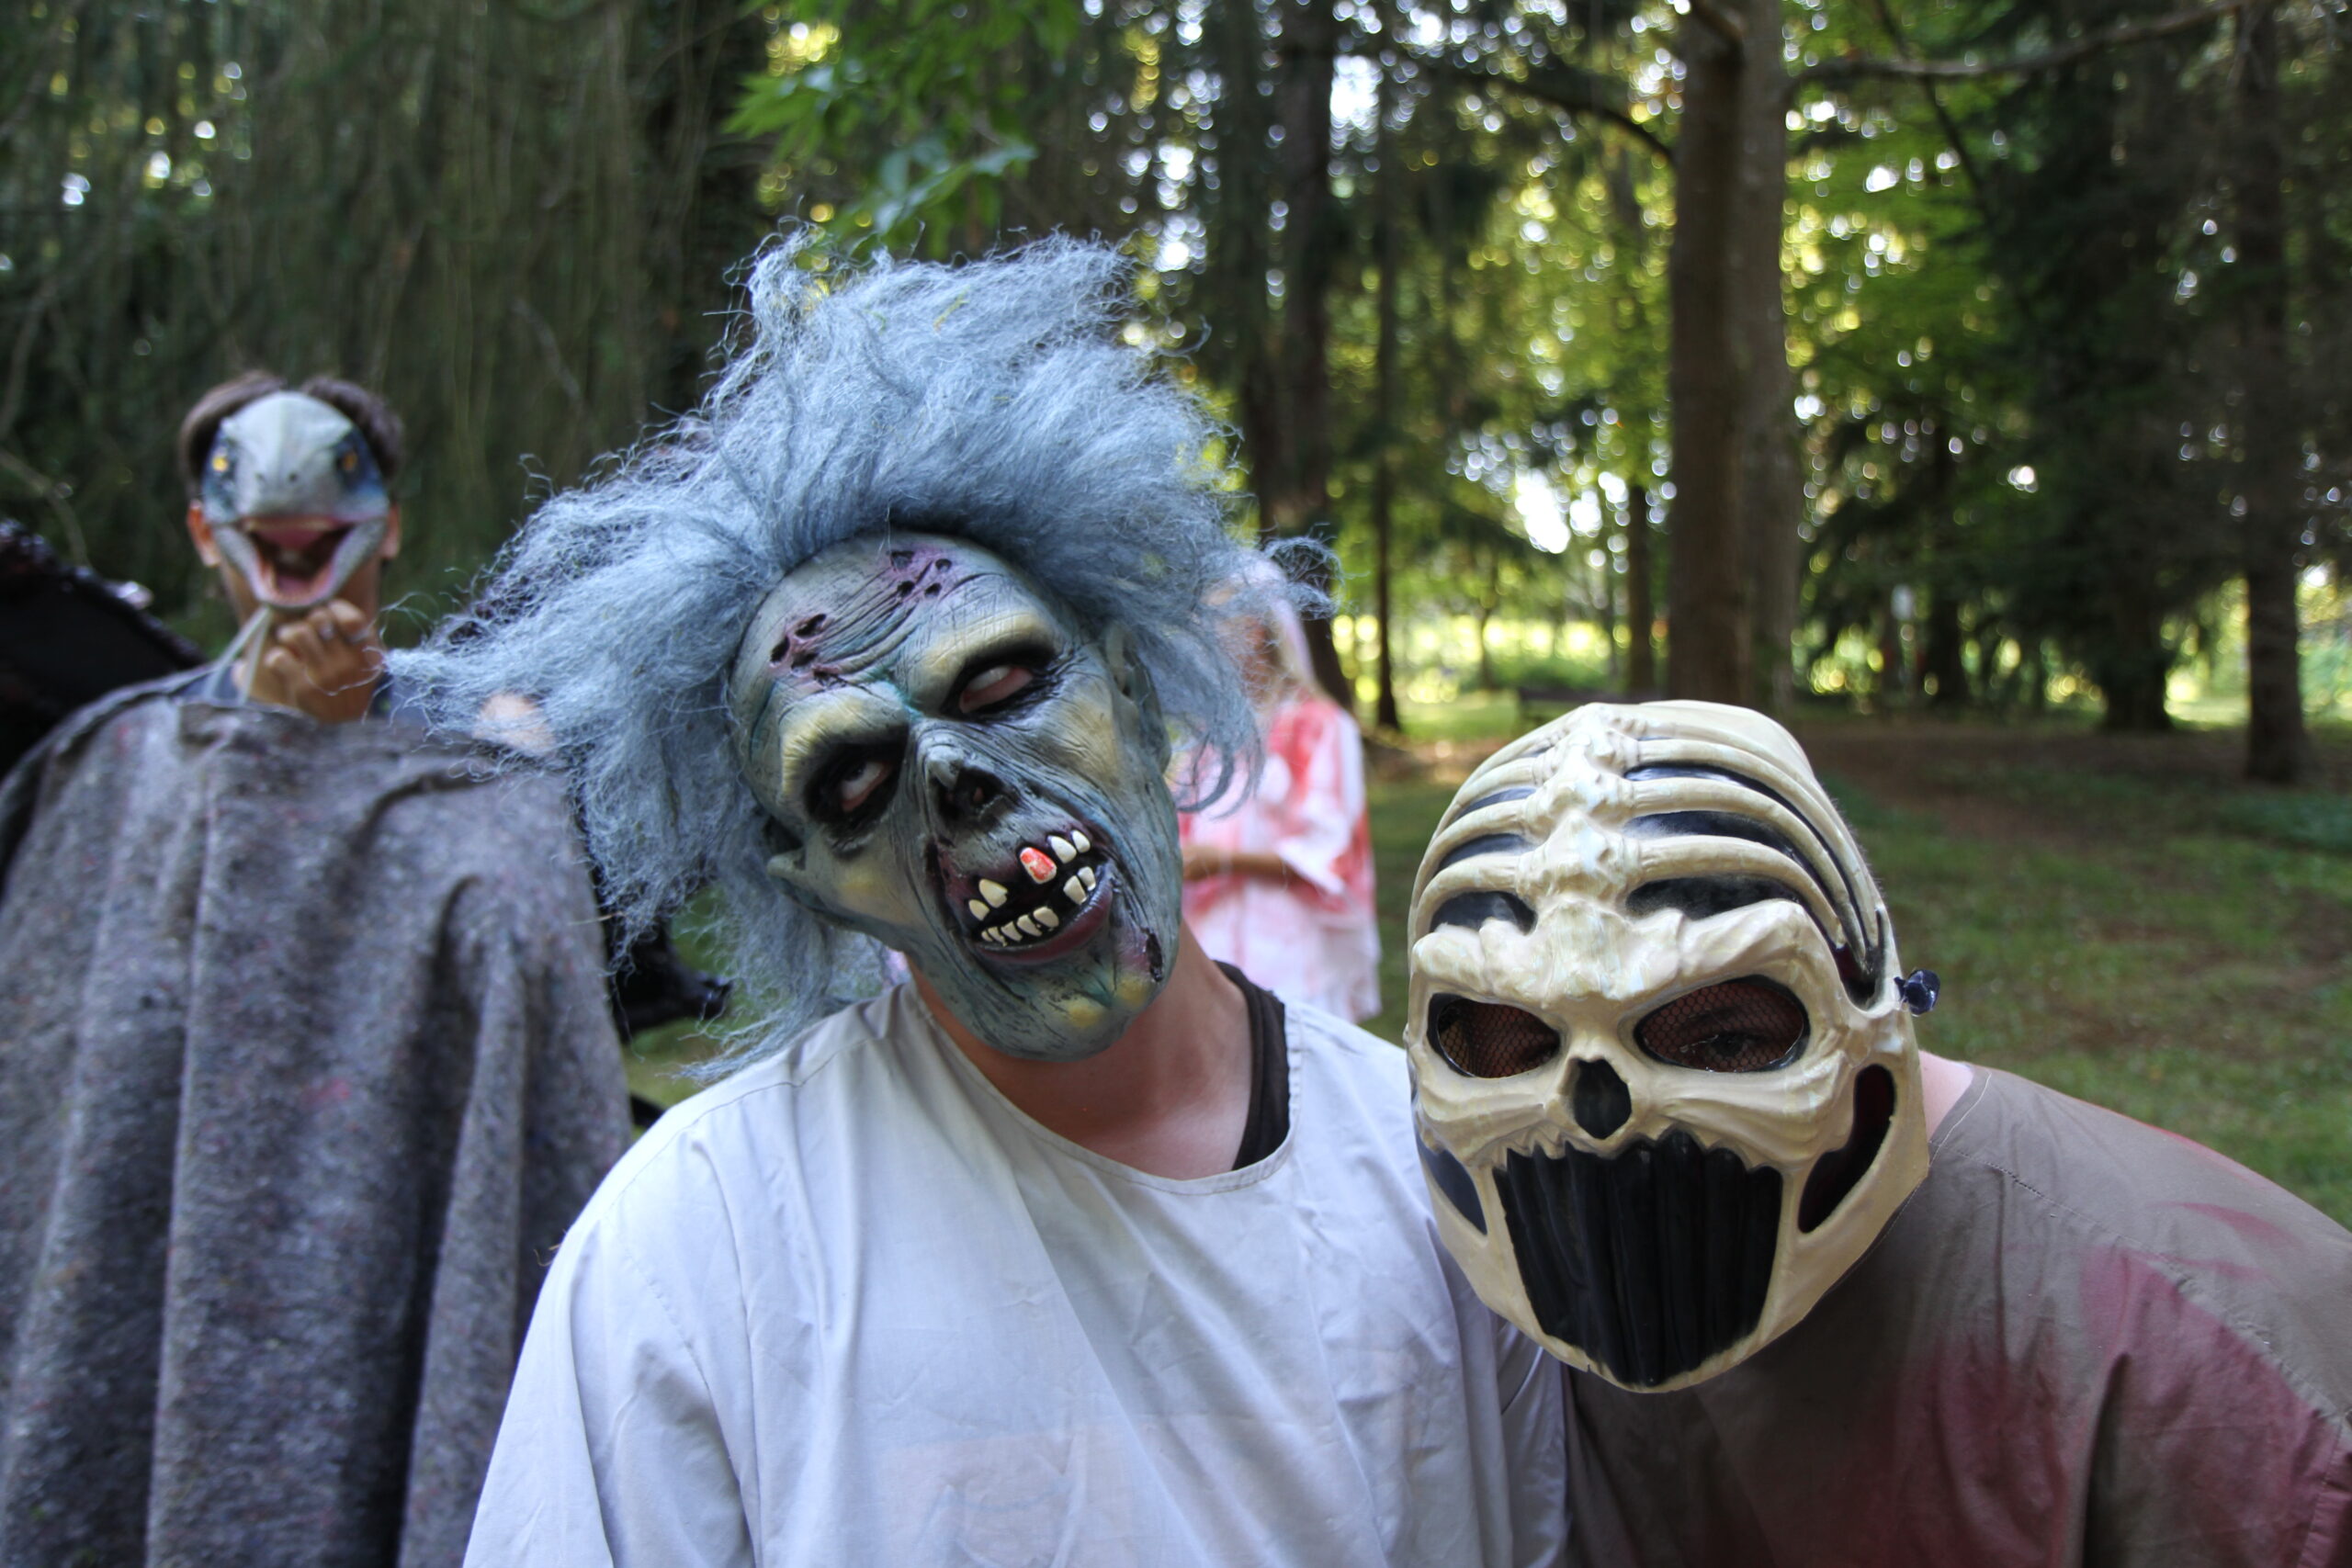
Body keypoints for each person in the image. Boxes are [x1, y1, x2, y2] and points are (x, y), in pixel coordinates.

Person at [397, 237, 1565, 1566]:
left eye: (1004, 686)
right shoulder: (693, 1248)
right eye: (851, 777)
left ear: (1135, 692)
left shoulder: (1453, 1176)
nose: (951, 776)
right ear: (809, 880)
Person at [1402, 699, 2352, 1567]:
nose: (1603, 1125)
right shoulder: (1476, 1326)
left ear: (1870, 1009)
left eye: (1721, 1040)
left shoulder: (2217, 1381)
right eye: (1517, 1046)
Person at [0, 372, 630, 1567]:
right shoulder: (123, 762)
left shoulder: (490, 743)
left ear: (387, 526)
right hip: (156, 1279)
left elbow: (539, 982)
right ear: (205, 533)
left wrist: (353, 761)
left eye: (330, 516)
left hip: (404, 1249)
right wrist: (272, 750)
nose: (298, 552)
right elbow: (74, 1062)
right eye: (260, 525)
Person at [1178, 580, 1381, 1021]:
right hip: (1212, 942)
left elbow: (1330, 851)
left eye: (1212, 627)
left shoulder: (1320, 727)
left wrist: (1225, 861)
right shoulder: (1209, 736)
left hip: (1290, 950)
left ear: (1254, 630)